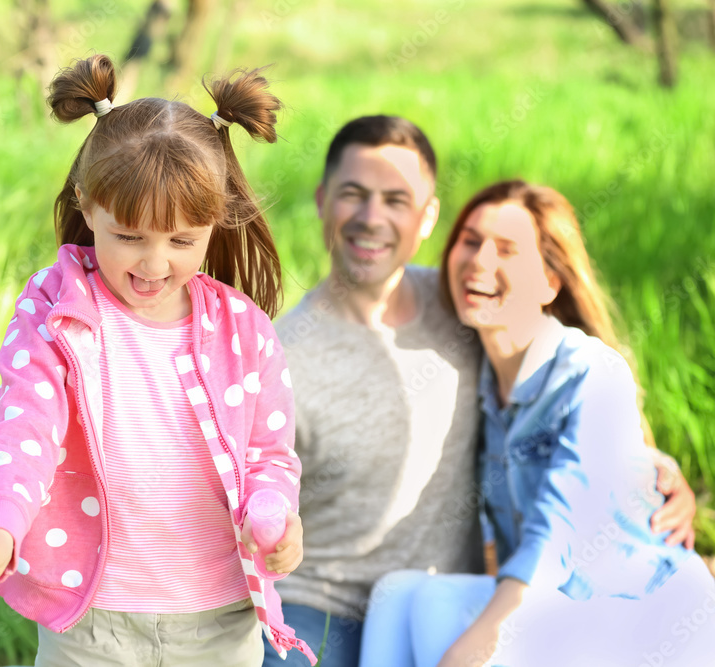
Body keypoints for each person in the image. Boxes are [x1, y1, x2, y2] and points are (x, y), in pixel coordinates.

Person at [0, 54, 317, 666]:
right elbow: (23, 428)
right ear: (87, 202)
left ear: (216, 219)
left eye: (183, 241)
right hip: (92, 627)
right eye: (129, 236)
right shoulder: (57, 313)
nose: (154, 265)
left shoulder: (244, 332)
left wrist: (274, 516)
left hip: (218, 623)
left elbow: (269, 457)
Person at [267, 116, 697, 666]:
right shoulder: (282, 355)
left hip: (599, 601)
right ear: (324, 200)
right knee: (399, 598)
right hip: (328, 604)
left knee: (419, 609)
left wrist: (642, 466)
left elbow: (569, 492)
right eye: (354, 194)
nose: (480, 264)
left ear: (427, 218)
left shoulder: (471, 316)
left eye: (396, 199)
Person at [360, 180, 715, 667]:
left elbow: (555, 537)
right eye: (470, 241)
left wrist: (471, 649)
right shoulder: (478, 379)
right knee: (398, 594)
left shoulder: (591, 371)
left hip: (646, 610)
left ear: (550, 281)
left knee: (442, 623)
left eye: (507, 249)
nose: (481, 261)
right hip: (561, 607)